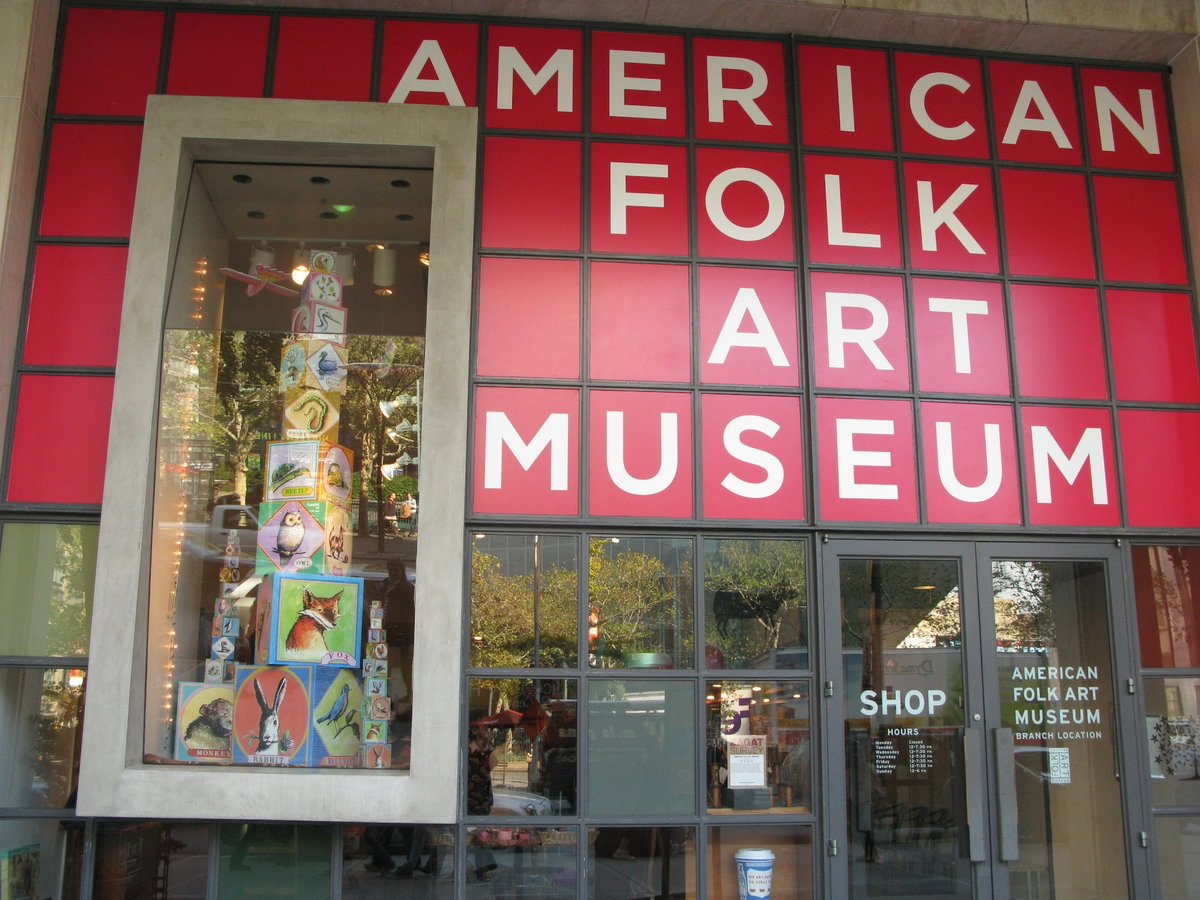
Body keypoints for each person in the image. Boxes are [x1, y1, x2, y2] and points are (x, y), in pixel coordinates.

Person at [466, 719, 499, 880]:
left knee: (479, 833)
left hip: (483, 797)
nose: (486, 732)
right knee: (470, 834)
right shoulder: (467, 750)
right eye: (483, 729)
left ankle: (482, 868)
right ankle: (484, 866)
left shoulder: (489, 752)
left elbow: (492, 767)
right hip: (469, 796)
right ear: (475, 732)